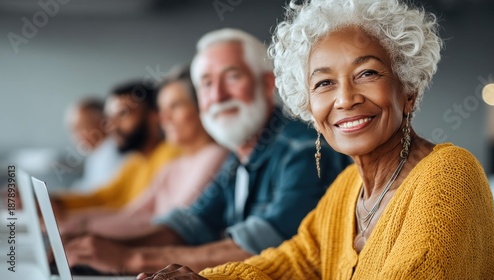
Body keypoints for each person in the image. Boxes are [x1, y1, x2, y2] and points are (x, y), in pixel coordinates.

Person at [141, 0, 494, 279]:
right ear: (309, 105)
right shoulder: (345, 189)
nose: (345, 99)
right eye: (324, 83)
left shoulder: (448, 176)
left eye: (367, 73)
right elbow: (292, 262)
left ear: (408, 91)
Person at [63, 28, 350, 275]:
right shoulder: (239, 155)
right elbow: (189, 224)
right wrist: (93, 246)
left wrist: (129, 259)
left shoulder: (302, 149)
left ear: (265, 85)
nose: (218, 96)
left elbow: (264, 248)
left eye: (232, 77)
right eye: (207, 84)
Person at [59, 66, 228, 239]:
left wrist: (82, 231)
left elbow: (168, 227)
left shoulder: (214, 154)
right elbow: (133, 214)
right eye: (162, 109)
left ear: (201, 106)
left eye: (175, 106)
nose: (164, 118)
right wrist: (71, 226)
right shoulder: (174, 164)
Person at [53, 82, 181, 213]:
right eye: (110, 118)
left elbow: (145, 215)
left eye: (123, 114)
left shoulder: (172, 157)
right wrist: (56, 201)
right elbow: (101, 198)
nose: (112, 126)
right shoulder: (136, 162)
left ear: (153, 116)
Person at [65, 97, 126, 193]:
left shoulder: (115, 153)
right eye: (73, 130)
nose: (76, 136)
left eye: (82, 127)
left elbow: (101, 195)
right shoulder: (97, 152)